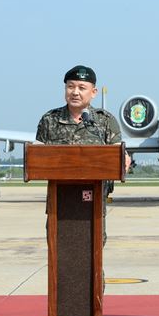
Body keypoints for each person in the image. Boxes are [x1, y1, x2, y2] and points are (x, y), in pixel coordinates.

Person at [35, 65, 130, 247]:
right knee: (59, 250)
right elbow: (38, 156)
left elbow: (118, 154)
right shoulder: (49, 120)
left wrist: (123, 159)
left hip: (92, 203)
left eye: (81, 87)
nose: (75, 92)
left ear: (93, 92)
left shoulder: (104, 121)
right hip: (59, 203)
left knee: (91, 252)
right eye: (70, 87)